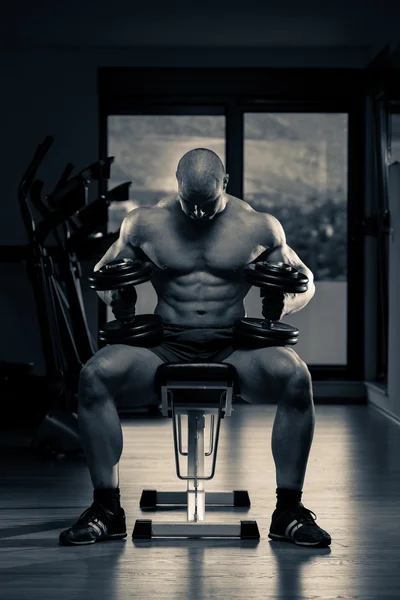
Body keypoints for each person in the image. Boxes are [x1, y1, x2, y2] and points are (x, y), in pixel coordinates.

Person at [59, 148, 331, 548]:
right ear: (177, 184)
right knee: (94, 376)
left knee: (296, 376)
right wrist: (118, 298)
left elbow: (304, 280)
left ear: (225, 184)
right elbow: (103, 275)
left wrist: (284, 302)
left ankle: (288, 510)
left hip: (233, 344)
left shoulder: (259, 227)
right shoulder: (144, 224)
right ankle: (106, 508)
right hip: (164, 342)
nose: (199, 215)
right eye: (191, 205)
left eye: (208, 205)